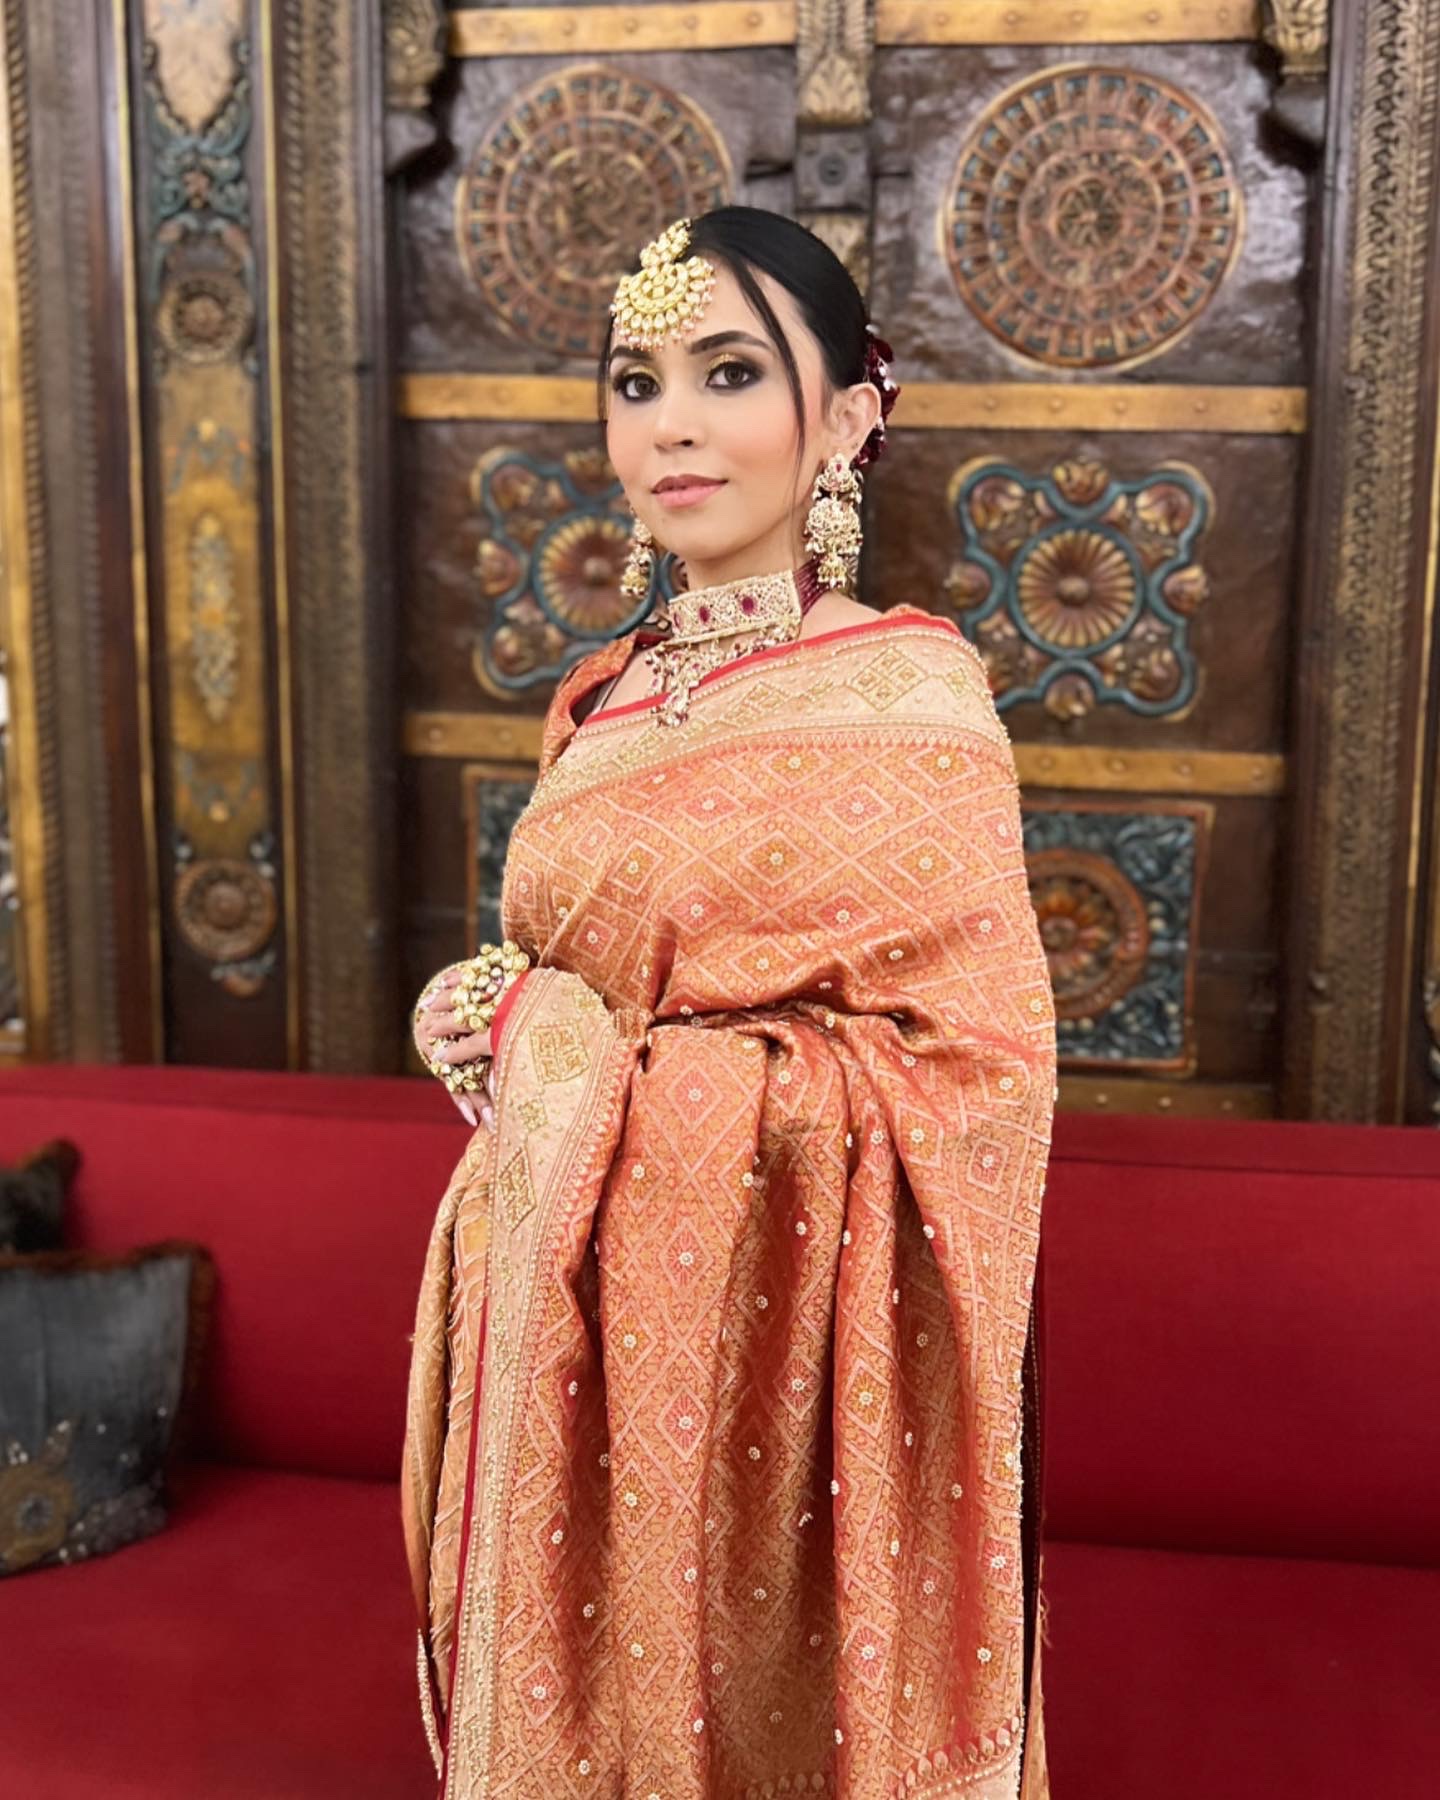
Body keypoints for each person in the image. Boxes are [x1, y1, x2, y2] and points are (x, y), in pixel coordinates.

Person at [403, 206, 1057, 1799]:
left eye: (730, 372)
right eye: (637, 382)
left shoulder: (908, 697)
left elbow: (976, 1080)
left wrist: (569, 1060)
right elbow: (568, 984)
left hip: (791, 1373)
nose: (671, 425)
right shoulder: (597, 700)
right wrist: (481, 1008)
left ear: (846, 418)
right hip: (569, 1341)